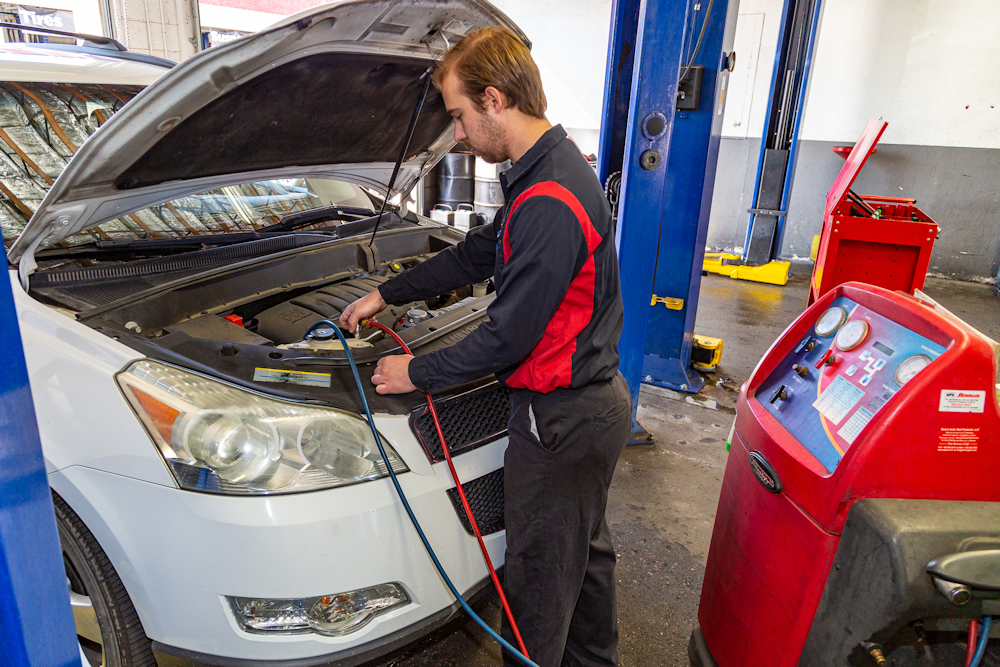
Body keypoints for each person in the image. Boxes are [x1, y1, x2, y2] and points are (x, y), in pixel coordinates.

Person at [340, 26, 631, 667]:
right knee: (582, 568)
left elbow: (506, 339)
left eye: (461, 117)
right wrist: (389, 295)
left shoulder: (550, 199)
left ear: (495, 100)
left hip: (561, 422)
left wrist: (417, 370)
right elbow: (481, 251)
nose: (460, 136)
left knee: (536, 586)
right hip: (587, 412)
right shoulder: (544, 171)